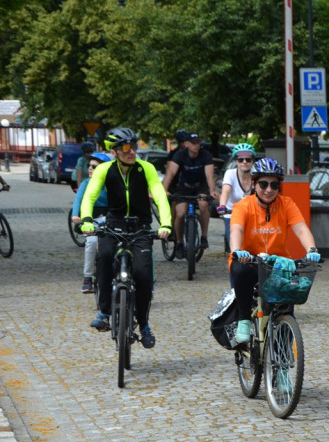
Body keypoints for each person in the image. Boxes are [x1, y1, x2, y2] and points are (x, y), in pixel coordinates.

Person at [79, 127, 172, 348]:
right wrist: (86, 219)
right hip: (114, 224)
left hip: (140, 226)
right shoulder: (104, 170)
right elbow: (89, 195)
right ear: (115, 151)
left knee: (142, 274)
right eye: (127, 148)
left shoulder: (146, 168)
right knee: (104, 258)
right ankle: (103, 312)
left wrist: (165, 223)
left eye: (134, 146)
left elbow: (159, 194)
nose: (133, 152)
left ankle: (145, 324)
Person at [229, 158, 320, 344]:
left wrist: (311, 249)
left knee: (287, 303)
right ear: (254, 184)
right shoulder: (243, 206)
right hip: (250, 262)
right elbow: (236, 230)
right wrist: (238, 251)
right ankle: (244, 320)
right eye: (263, 184)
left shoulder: (287, 204)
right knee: (240, 270)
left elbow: (301, 229)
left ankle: (283, 356)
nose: (269, 190)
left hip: (278, 264)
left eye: (274, 185)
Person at [163, 130, 216, 259]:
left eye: (198, 142)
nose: (196, 145)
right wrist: (164, 190)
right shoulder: (180, 155)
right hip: (184, 186)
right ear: (186, 144)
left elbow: (210, 175)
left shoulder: (205, 155)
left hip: (200, 186)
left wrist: (212, 190)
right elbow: (170, 173)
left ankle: (204, 237)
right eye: (193, 143)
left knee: (203, 204)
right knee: (180, 213)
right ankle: (179, 243)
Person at [71, 151, 112, 294]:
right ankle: (88, 277)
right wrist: (76, 215)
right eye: (89, 166)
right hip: (92, 219)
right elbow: (78, 200)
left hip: (109, 219)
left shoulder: (110, 183)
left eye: (94, 167)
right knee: (92, 242)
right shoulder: (86, 183)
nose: (90, 169)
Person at [217, 143, 256, 252]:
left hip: (252, 213)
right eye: (240, 160)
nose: (244, 162)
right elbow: (225, 191)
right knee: (235, 243)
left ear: (253, 161)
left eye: (248, 159)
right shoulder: (230, 174)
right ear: (236, 161)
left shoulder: (257, 175)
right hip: (232, 213)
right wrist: (222, 206)